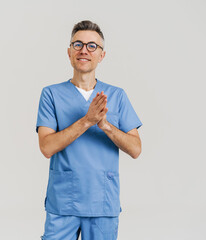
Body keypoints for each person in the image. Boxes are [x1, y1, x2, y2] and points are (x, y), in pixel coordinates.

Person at [36, 20, 143, 240]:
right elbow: (47, 147)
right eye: (78, 44)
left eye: (92, 46)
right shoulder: (51, 95)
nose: (84, 50)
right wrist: (87, 120)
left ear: (102, 55)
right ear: (69, 52)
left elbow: (135, 149)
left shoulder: (117, 96)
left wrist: (105, 125)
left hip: (102, 202)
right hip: (63, 202)